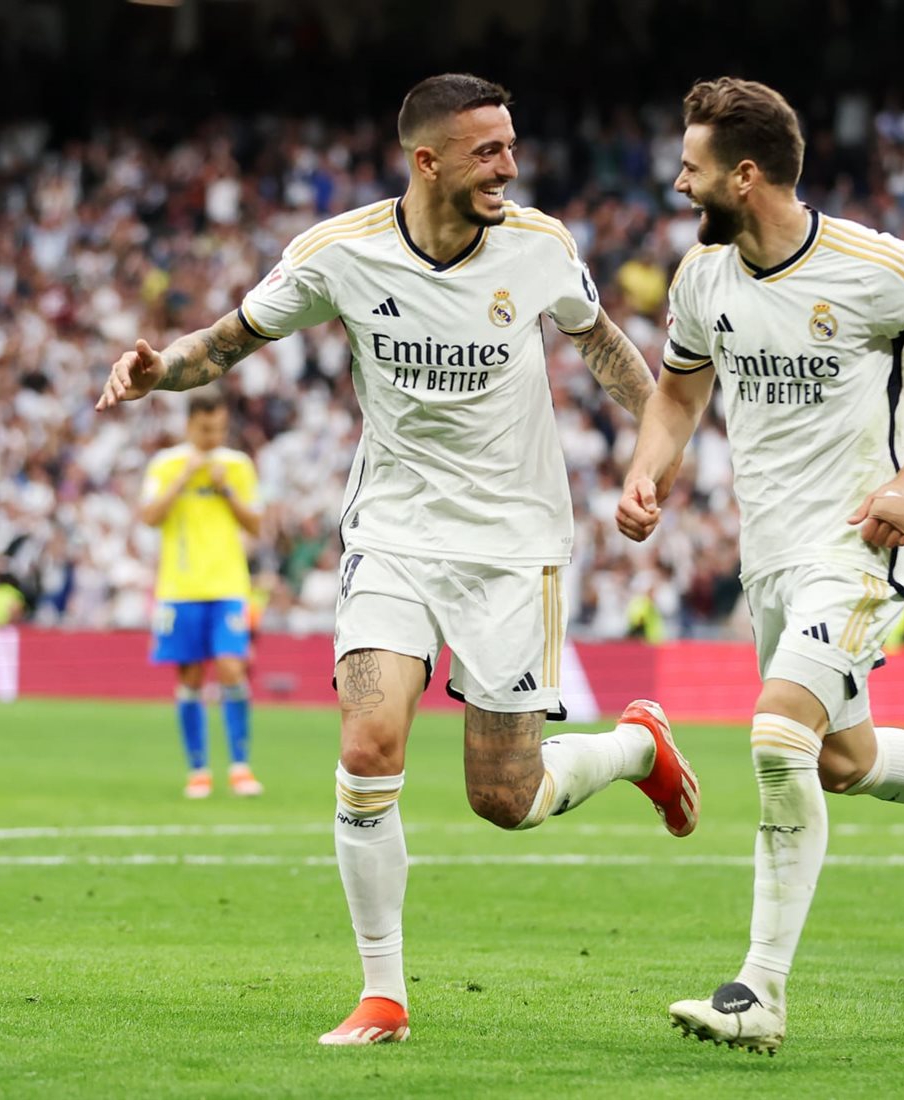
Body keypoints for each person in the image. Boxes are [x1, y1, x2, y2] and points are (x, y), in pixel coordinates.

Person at [98, 72, 701, 1047]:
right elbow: (232, 339)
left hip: (514, 546)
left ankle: (637, 748)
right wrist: (161, 369)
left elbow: (606, 350)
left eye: (510, 147)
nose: (509, 166)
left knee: (505, 798)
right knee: (368, 745)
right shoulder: (340, 252)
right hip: (392, 535)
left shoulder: (540, 247)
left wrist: (655, 458)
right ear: (427, 161)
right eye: (488, 151)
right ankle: (383, 993)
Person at [617, 77, 904, 1055]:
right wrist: (647, 468)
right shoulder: (701, 278)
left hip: (857, 546)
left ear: (745, 176)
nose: (679, 185)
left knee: (777, 738)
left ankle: (758, 990)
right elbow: (677, 394)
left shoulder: (876, 268)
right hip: (767, 554)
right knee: (841, 760)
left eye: (691, 167)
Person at [139, 392, 264, 799]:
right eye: (206, 428)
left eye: (219, 429)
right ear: (189, 425)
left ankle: (240, 767)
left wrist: (226, 491)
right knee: (190, 678)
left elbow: (256, 524)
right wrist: (182, 480)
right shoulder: (166, 464)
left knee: (231, 669)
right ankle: (198, 771)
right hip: (180, 589)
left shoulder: (237, 466)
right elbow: (149, 516)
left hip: (228, 585)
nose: (213, 436)